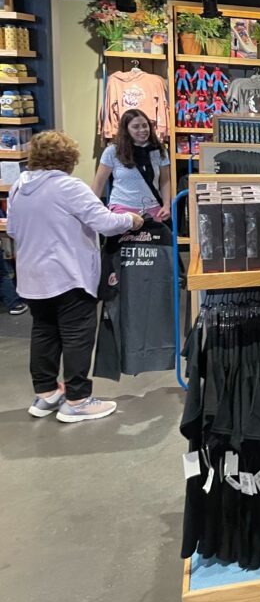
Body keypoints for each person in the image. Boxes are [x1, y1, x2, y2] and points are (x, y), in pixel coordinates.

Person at [8, 131, 143, 422]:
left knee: (43, 332)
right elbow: (105, 222)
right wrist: (130, 219)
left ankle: (46, 393)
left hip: (32, 277)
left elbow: (12, 230)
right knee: (77, 335)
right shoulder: (69, 187)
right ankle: (78, 399)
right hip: (69, 275)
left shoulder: (19, 186)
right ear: (68, 158)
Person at [91, 109, 171, 222]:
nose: (142, 130)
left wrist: (166, 205)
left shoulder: (159, 150)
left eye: (145, 125)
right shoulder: (113, 151)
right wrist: (93, 211)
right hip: (122, 210)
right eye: (136, 127)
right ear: (126, 129)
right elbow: (99, 183)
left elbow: (165, 181)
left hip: (153, 209)